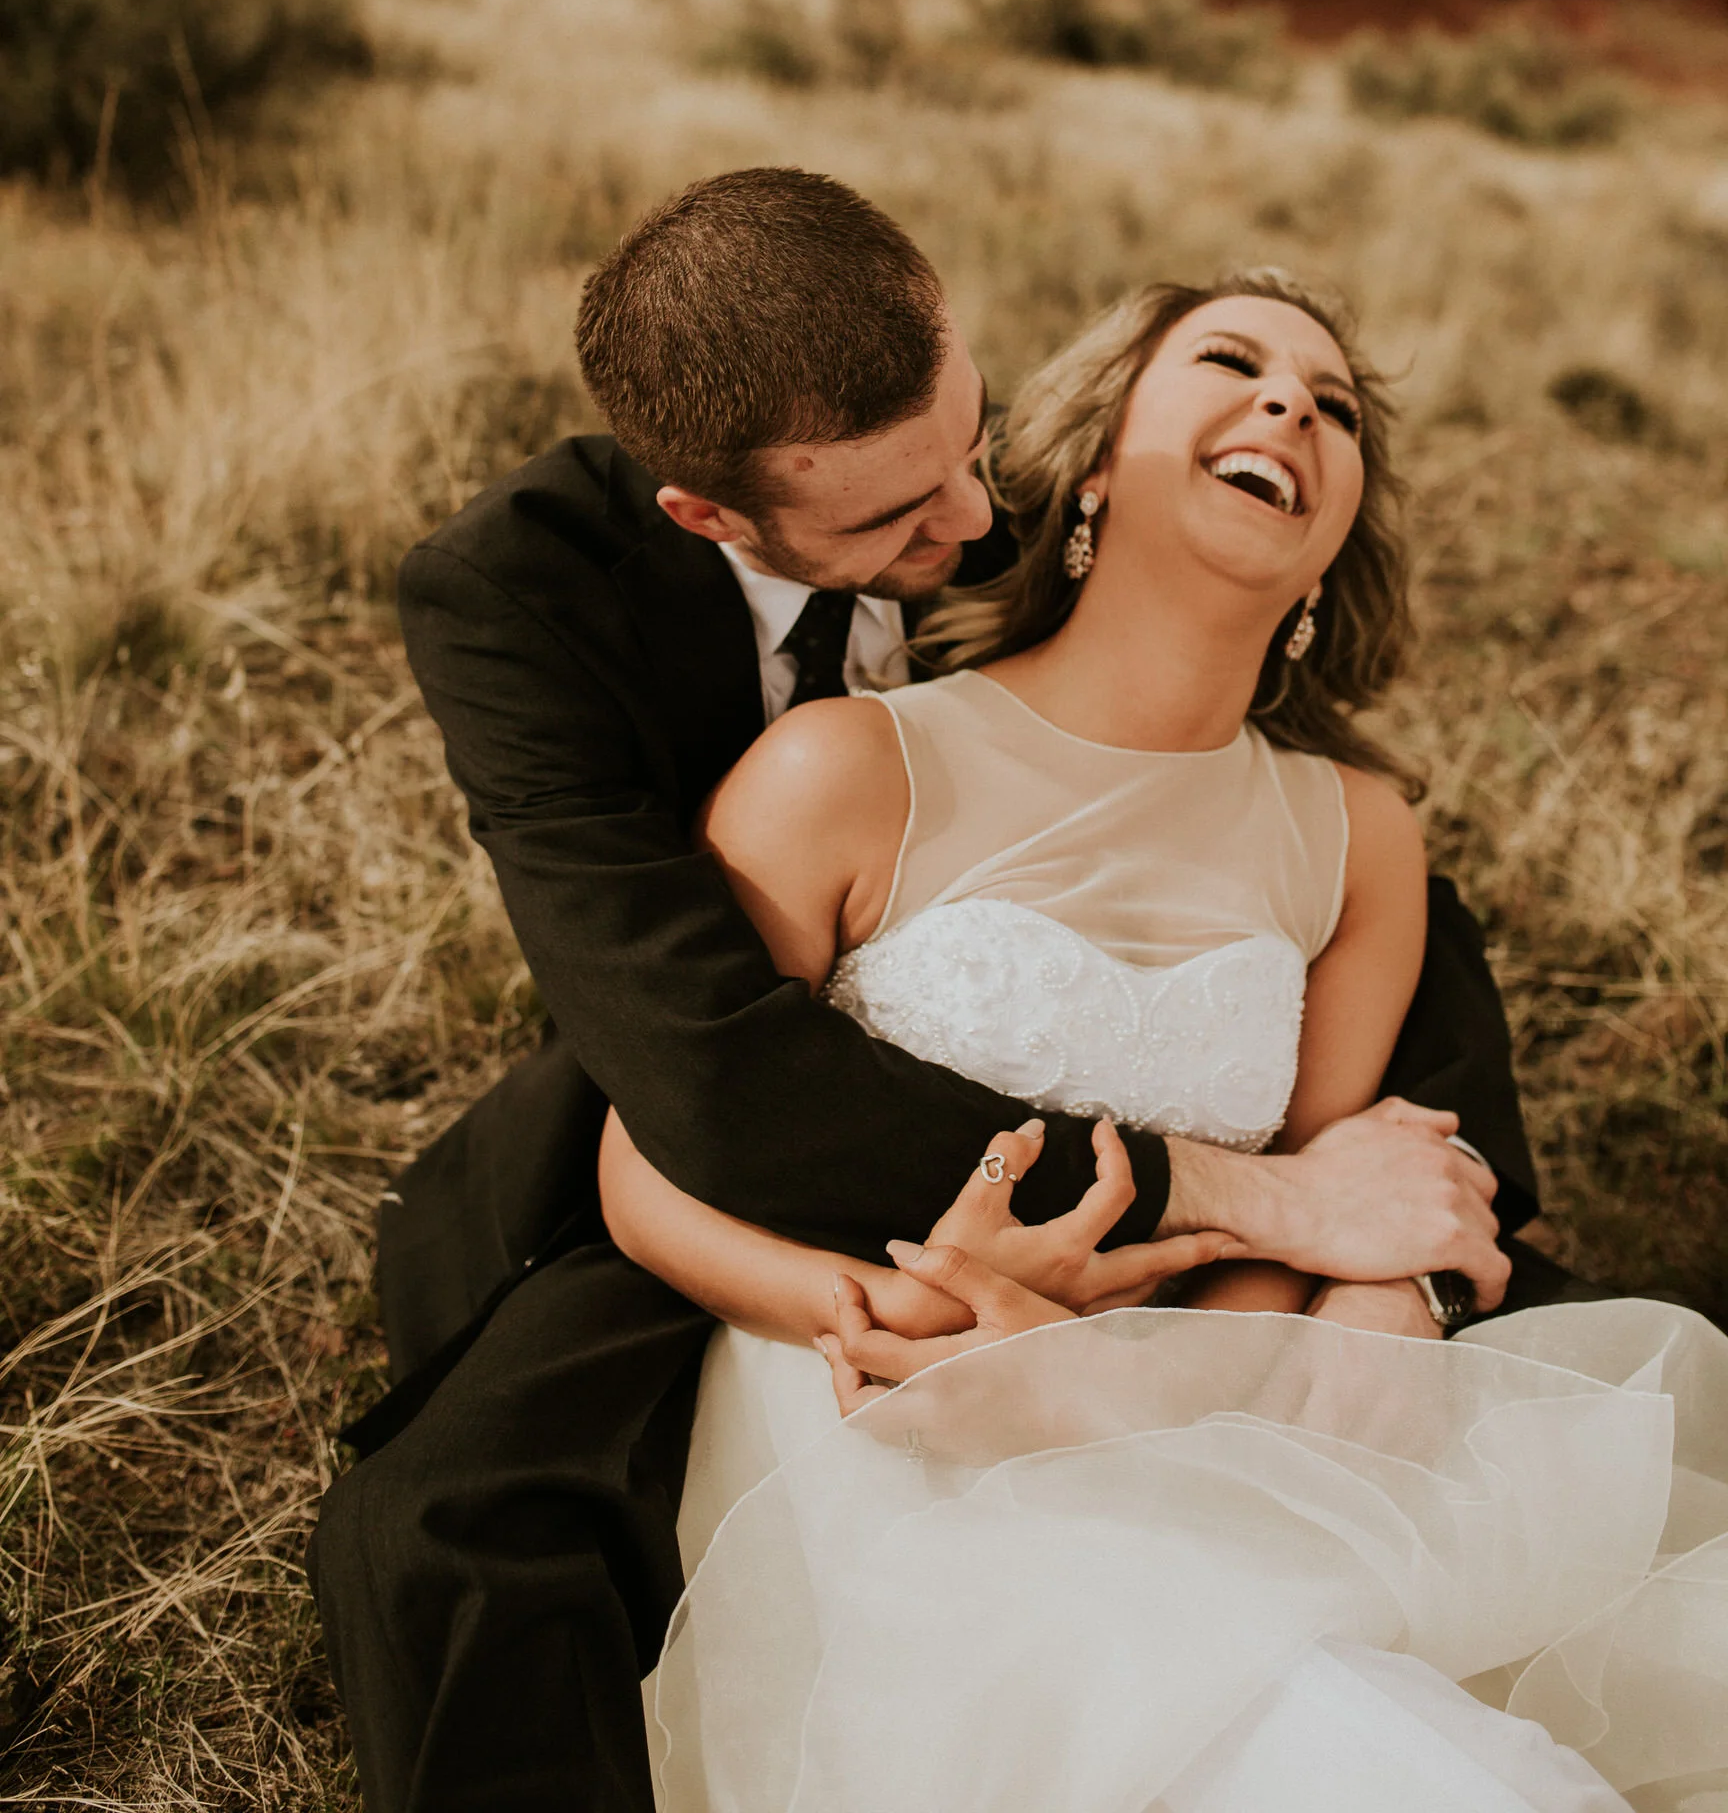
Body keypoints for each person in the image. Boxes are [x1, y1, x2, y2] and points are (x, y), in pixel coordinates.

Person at [308, 170, 1557, 1813]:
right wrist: (954, 1313)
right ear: (719, 517)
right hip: (746, 1134)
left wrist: (1388, 1245)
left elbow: (1325, 894)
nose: (975, 523)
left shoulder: (1050, 479)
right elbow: (699, 1076)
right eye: (901, 514)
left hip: (1154, 1325)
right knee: (453, 1538)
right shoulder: (528, 599)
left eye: (978, 449)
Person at [597, 267, 1728, 1813]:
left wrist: (1134, 1392)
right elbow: (653, 1155)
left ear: (1333, 545)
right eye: (1235, 364)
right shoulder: (849, 768)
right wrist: (896, 1329)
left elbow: (1306, 1192)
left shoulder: (1356, 836)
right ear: (1092, 462)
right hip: (864, 1420)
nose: (1292, 408)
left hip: (1187, 1416)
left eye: (1334, 408)